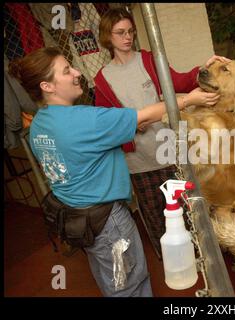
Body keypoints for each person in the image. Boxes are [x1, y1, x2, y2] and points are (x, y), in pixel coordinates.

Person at [7, 47, 196, 297]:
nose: (77, 73)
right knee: (130, 286)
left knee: (112, 282)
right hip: (108, 223)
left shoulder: (39, 123)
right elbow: (142, 117)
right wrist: (190, 100)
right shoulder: (84, 119)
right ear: (47, 86)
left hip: (78, 219)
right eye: (67, 71)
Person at [95, 8, 229, 259]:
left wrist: (203, 68)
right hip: (138, 160)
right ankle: (171, 260)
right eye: (120, 33)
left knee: (188, 205)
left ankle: (204, 255)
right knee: (156, 213)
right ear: (107, 36)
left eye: (131, 32)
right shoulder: (103, 79)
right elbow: (106, 124)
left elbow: (178, 83)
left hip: (170, 150)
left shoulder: (148, 60)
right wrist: (131, 126)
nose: (127, 38)